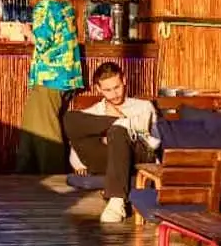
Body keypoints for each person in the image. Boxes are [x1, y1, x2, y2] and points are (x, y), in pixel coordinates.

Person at [64, 62, 160, 223]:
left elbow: (155, 143)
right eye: (107, 90)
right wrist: (78, 164)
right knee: (70, 119)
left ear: (124, 80)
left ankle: (117, 202)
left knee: (117, 132)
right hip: (108, 160)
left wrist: (123, 134)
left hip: (139, 158)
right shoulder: (96, 111)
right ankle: (122, 122)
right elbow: (77, 143)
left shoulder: (143, 107)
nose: (114, 94)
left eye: (117, 87)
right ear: (99, 89)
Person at [15, 0, 83, 174]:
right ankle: (24, 174)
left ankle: (53, 178)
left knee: (45, 131)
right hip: (68, 77)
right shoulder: (66, 7)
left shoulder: (44, 7)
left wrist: (26, 32)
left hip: (49, 77)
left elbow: (42, 41)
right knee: (31, 128)